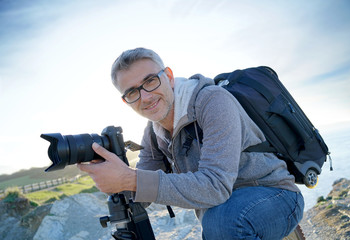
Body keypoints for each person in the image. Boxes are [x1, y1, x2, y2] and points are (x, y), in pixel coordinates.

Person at [78, 47, 304, 239]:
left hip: (275, 194)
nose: (145, 97)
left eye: (150, 81)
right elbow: (140, 190)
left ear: (168, 75)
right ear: (125, 101)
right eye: (132, 93)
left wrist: (131, 178)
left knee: (223, 222)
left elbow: (216, 187)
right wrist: (113, 175)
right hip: (222, 211)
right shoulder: (153, 131)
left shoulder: (212, 101)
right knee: (220, 220)